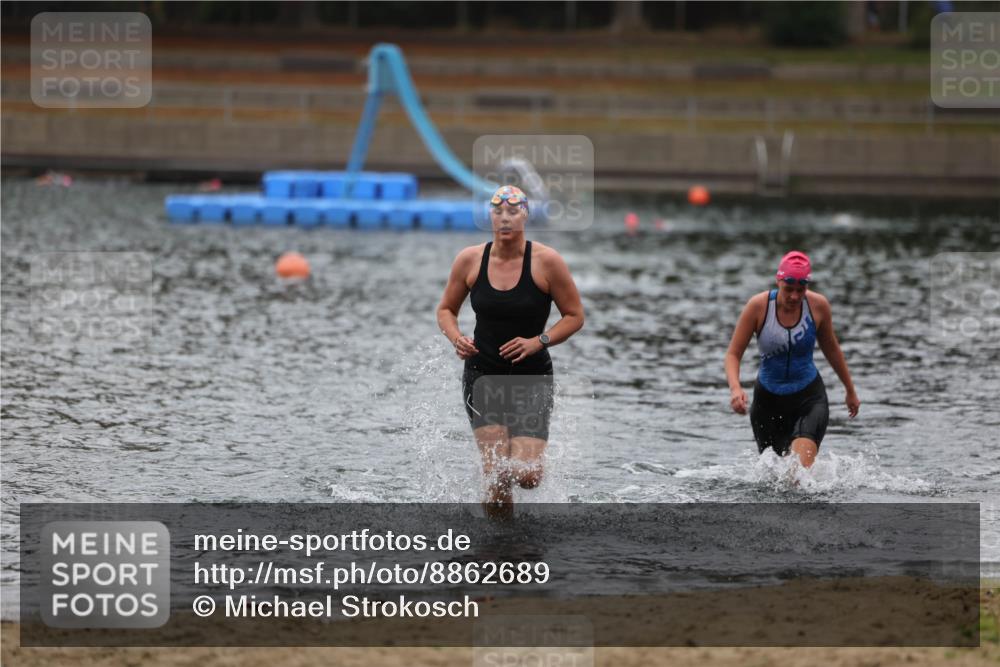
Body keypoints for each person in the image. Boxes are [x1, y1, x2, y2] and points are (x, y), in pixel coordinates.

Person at [436, 185, 584, 516]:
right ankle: (500, 554)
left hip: (532, 378)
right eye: (498, 211)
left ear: (526, 215)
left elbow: (575, 316)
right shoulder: (470, 259)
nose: (505, 218)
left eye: (513, 211)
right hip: (482, 375)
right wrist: (456, 337)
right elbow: (445, 309)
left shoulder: (547, 261)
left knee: (528, 475)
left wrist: (539, 341)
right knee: (497, 476)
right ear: (489, 216)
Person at [724, 251, 860, 468]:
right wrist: (735, 389)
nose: (795, 296)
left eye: (801, 289)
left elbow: (832, 349)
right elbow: (733, 354)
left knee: (797, 475)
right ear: (778, 281)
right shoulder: (758, 307)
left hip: (808, 399)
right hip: (767, 404)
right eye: (789, 289)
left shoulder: (818, 306)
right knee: (775, 482)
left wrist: (850, 390)